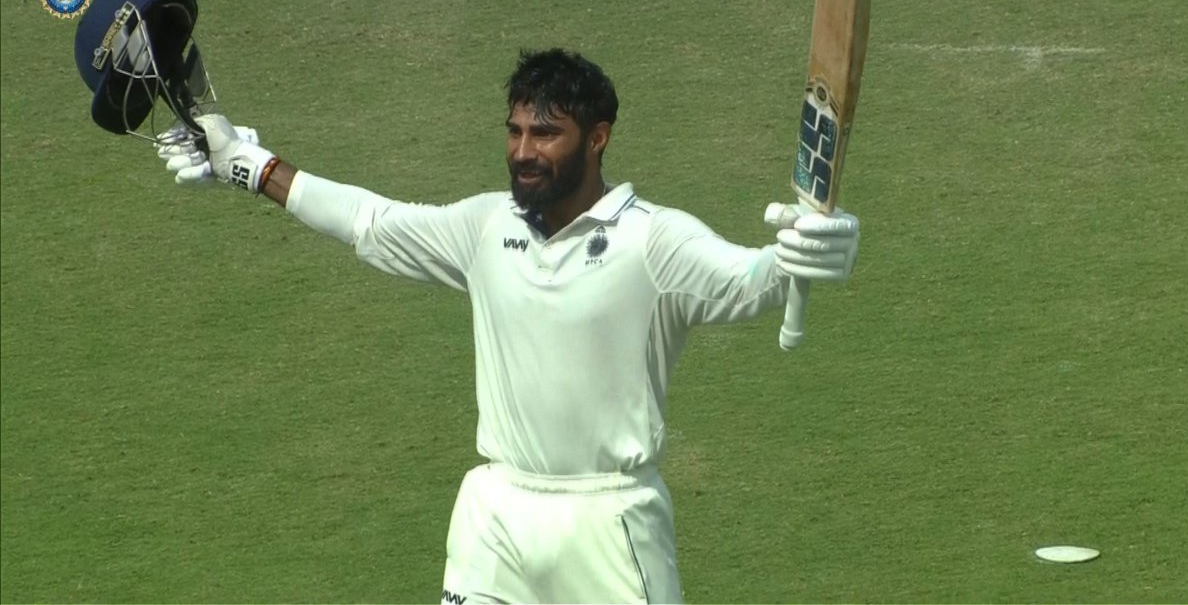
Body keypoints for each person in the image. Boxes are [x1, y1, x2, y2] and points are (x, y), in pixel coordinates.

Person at [157, 48, 860, 603]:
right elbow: (370, 222)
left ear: (600, 138)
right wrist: (251, 166)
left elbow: (745, 281)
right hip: (496, 514)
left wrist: (798, 257)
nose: (524, 150)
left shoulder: (655, 241)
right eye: (517, 130)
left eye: (547, 133)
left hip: (610, 523)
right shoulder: (485, 227)